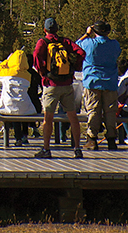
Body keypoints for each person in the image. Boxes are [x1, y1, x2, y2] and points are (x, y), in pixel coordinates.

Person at [32, 16, 85, 159]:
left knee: (48, 118)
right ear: (57, 29)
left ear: (45, 30)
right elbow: (81, 52)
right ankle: (77, 148)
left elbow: (36, 54)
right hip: (67, 84)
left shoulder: (43, 42)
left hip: (51, 85)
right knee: (73, 117)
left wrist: (42, 72)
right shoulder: (65, 41)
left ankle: (46, 149)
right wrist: (75, 67)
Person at [77, 22, 122, 151]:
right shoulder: (114, 44)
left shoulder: (89, 43)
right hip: (110, 82)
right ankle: (112, 139)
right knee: (110, 111)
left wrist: (86, 33)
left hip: (92, 81)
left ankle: (92, 139)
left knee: (93, 111)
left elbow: (76, 45)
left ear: (94, 31)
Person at [0, 48, 35, 147]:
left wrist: (7, 61)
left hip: (8, 105)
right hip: (25, 106)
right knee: (18, 111)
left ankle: (17, 138)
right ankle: (20, 137)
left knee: (13, 111)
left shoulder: (7, 73)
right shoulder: (27, 75)